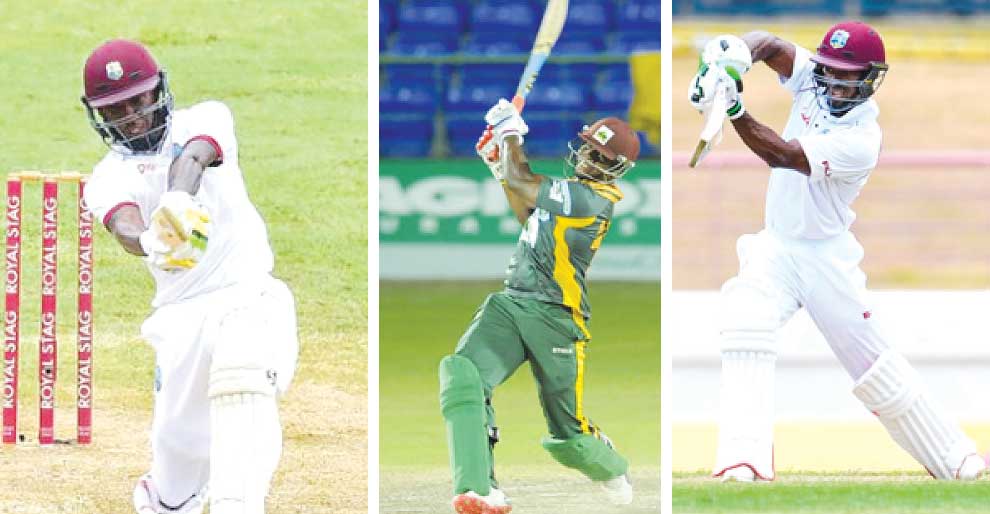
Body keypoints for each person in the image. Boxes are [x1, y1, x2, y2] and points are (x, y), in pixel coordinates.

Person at [689, 22, 986, 482]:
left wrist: (731, 106)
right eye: (828, 69)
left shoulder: (861, 140)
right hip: (776, 246)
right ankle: (742, 459)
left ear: (869, 78)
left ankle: (957, 459)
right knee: (745, 318)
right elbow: (769, 43)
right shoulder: (817, 77)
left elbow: (783, 155)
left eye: (846, 74)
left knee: (876, 369)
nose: (831, 81)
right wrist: (731, 59)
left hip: (826, 260)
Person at [80, 39, 299, 513]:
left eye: (138, 100)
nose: (133, 115)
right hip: (180, 318)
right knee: (178, 459)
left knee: (244, 384)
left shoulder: (206, 117)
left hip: (247, 294)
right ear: (98, 115)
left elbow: (193, 158)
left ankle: (236, 503)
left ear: (159, 89)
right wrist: (152, 239)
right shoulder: (104, 177)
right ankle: (165, 499)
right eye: (116, 108)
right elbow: (124, 227)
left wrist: (176, 203)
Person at [437, 99, 639, 514]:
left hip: (557, 317)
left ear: (616, 168)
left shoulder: (593, 200)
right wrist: (500, 168)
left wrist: (511, 135)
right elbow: (528, 214)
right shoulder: (567, 195)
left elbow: (524, 180)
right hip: (512, 303)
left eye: (603, 157)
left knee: (569, 437)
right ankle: (479, 489)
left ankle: (611, 464)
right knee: (462, 375)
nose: (591, 160)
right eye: (589, 150)